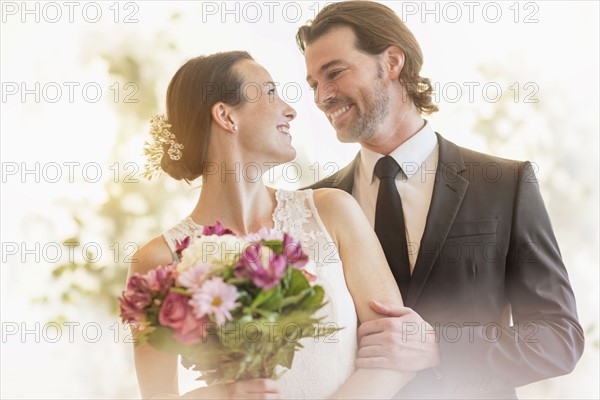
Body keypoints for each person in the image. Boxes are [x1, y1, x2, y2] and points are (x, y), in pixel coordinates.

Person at [296, 1, 584, 398]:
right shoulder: (308, 207)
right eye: (313, 84)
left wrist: (437, 347)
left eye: (335, 73)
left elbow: (559, 339)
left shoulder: (506, 184)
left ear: (393, 61)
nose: (321, 97)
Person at [128, 51, 414, 399]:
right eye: (268, 92)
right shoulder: (157, 261)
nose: (290, 110)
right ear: (225, 115)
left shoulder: (333, 213)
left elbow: (397, 354)